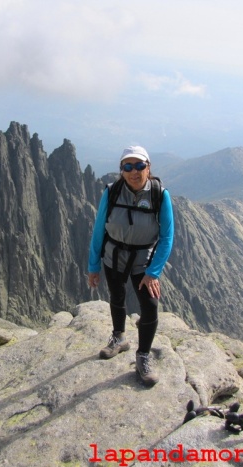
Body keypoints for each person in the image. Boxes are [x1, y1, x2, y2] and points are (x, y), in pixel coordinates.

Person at [87, 146, 174, 386]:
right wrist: (93, 266)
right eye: (128, 167)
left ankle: (143, 355)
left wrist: (153, 272)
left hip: (144, 258)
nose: (134, 172)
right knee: (117, 296)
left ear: (148, 167)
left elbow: (167, 236)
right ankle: (119, 338)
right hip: (113, 254)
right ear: (122, 171)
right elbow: (98, 229)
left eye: (139, 166)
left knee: (150, 306)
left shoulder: (159, 194)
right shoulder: (112, 192)